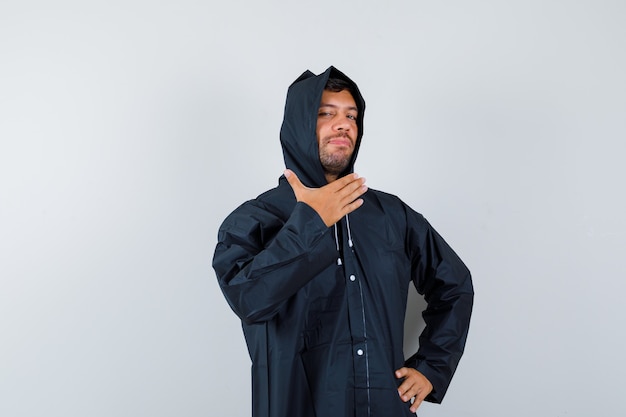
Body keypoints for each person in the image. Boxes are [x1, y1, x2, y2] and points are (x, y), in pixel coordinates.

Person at [212, 66, 473, 417]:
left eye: (351, 115)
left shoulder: (392, 215)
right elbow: (249, 299)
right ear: (299, 126)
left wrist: (431, 367)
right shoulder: (253, 220)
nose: (343, 124)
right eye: (326, 113)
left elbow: (455, 285)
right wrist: (312, 222)